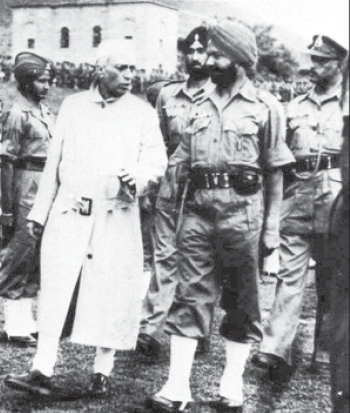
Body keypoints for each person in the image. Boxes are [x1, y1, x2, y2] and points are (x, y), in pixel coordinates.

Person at [143, 20, 294, 413]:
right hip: (196, 212)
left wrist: (272, 230)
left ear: (240, 59)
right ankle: (177, 389)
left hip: (243, 215)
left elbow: (276, 170)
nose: (207, 60)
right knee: (188, 295)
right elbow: (178, 160)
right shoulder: (196, 103)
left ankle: (231, 389)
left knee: (242, 302)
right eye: (206, 53)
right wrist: (158, 196)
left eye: (216, 54)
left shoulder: (266, 107)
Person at [4, 38, 167, 397]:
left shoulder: (141, 113)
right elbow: (54, 164)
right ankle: (41, 368)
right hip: (69, 212)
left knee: (111, 292)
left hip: (117, 214)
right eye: (121, 68)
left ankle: (101, 372)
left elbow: (156, 162)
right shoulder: (74, 107)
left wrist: (138, 177)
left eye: (132, 69)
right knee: (56, 289)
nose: (129, 75)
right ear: (99, 69)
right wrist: (40, 212)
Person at [252, 35, 348, 380]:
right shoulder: (294, 106)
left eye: (322, 61)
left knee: (331, 278)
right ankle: (273, 348)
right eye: (313, 59)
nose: (314, 66)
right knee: (288, 278)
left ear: (340, 64)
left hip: (338, 200)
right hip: (299, 196)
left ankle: (323, 351)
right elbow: (279, 155)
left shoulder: (347, 106)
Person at [136, 26, 215, 358]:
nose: (195, 58)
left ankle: (198, 329)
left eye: (202, 52)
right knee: (163, 258)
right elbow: (155, 146)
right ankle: (149, 331)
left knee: (201, 262)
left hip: (207, 191)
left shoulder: (222, 96)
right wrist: (150, 185)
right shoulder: (168, 96)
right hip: (170, 187)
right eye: (190, 52)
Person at [0, 51, 55, 346]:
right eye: (41, 81)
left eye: (48, 81)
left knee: (36, 254)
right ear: (26, 82)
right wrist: (5, 210)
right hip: (25, 182)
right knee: (19, 250)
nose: (47, 87)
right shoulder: (16, 113)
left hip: (44, 183)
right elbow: (6, 162)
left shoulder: (44, 111)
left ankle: (26, 319)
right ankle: (14, 323)